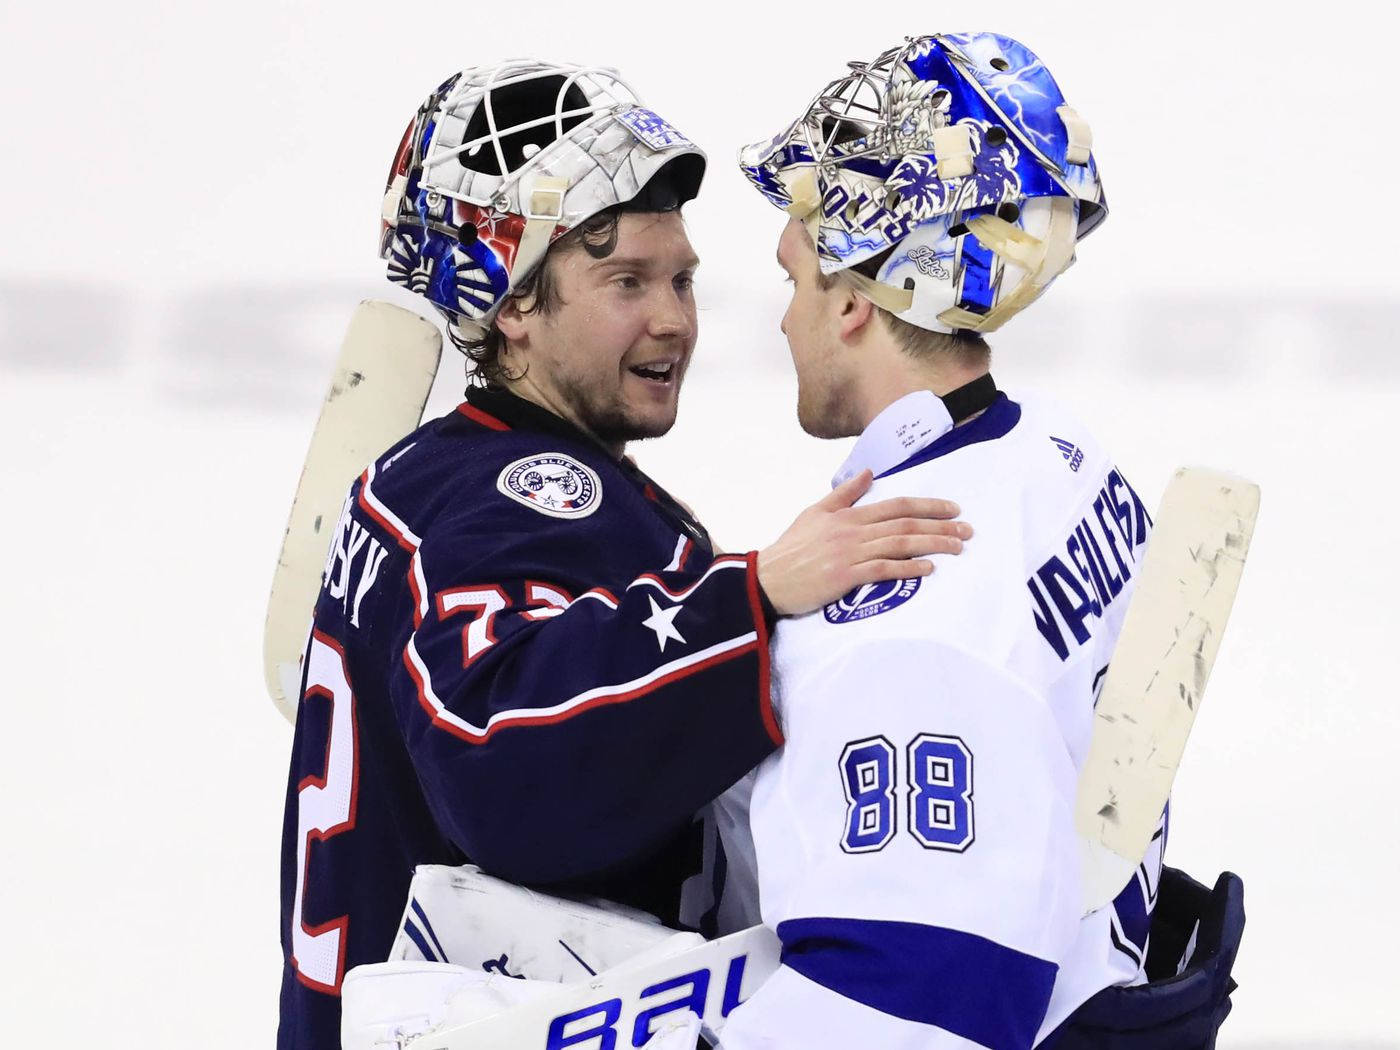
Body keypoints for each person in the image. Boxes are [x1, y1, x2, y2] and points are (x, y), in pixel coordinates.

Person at [277, 60, 972, 1050]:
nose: (672, 319)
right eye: (625, 282)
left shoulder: (413, 482)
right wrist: (753, 596)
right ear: (511, 305)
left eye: (681, 278)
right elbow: (507, 776)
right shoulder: (518, 501)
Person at [717, 33, 1242, 1049]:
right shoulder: (1058, 453)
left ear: (855, 298)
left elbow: (916, 1004)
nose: (785, 321)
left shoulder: (907, 614)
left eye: (793, 280)